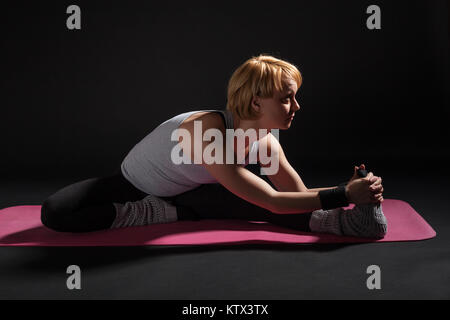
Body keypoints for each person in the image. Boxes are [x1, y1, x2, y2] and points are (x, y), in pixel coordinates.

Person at [41, 54, 387, 238]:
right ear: (255, 103)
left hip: (195, 192)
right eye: (287, 99)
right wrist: (343, 193)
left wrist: (358, 194)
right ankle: (153, 211)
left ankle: (355, 226)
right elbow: (274, 200)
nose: (296, 107)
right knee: (55, 212)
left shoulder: (267, 143)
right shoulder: (206, 131)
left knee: (269, 209)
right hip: (132, 185)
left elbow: (296, 198)